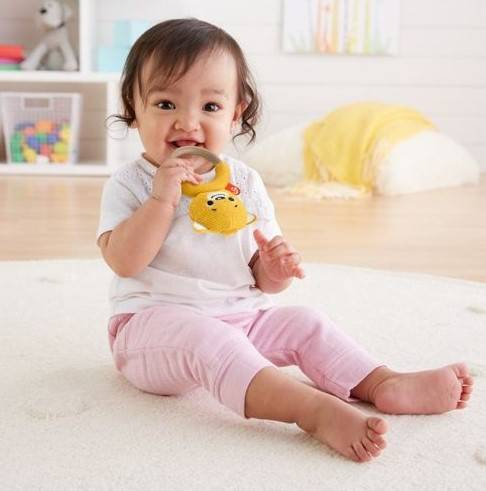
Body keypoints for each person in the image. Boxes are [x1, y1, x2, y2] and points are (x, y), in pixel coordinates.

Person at [97, 18, 473, 463]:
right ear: (134, 108)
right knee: (206, 337)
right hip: (151, 332)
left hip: (241, 320)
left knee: (304, 321)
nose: (188, 122)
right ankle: (310, 410)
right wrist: (162, 200)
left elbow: (263, 280)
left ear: (236, 113)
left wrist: (274, 268)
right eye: (165, 103)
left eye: (211, 106)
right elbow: (124, 261)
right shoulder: (131, 184)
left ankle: (381, 382)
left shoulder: (244, 182)